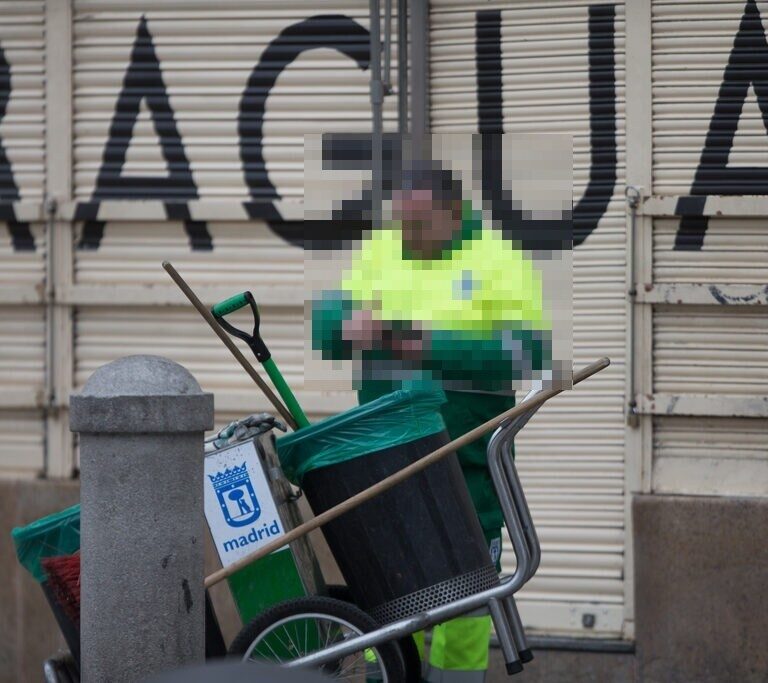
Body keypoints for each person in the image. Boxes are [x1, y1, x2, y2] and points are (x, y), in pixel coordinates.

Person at [312, 161, 551, 682]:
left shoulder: (497, 260)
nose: (407, 235)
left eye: (419, 224)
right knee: (387, 589)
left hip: (461, 458)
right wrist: (343, 327)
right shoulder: (382, 251)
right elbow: (326, 325)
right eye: (401, 223)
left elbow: (525, 351)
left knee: (465, 598)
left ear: (454, 213)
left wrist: (431, 346)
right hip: (382, 457)